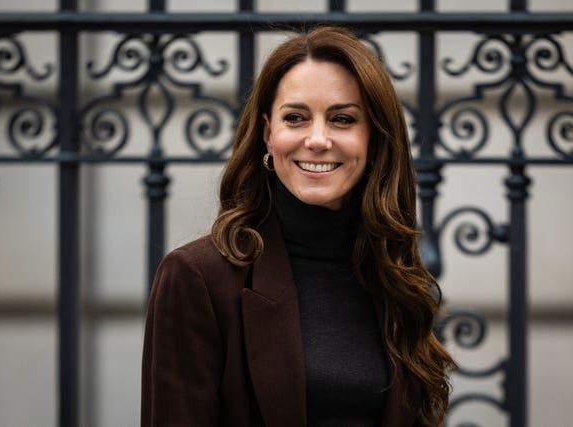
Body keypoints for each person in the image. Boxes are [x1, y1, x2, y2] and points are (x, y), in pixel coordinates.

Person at [141, 26, 455, 427]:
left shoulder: (399, 276)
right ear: (269, 134)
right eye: (296, 118)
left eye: (342, 119)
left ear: (374, 138)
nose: (318, 139)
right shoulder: (197, 278)